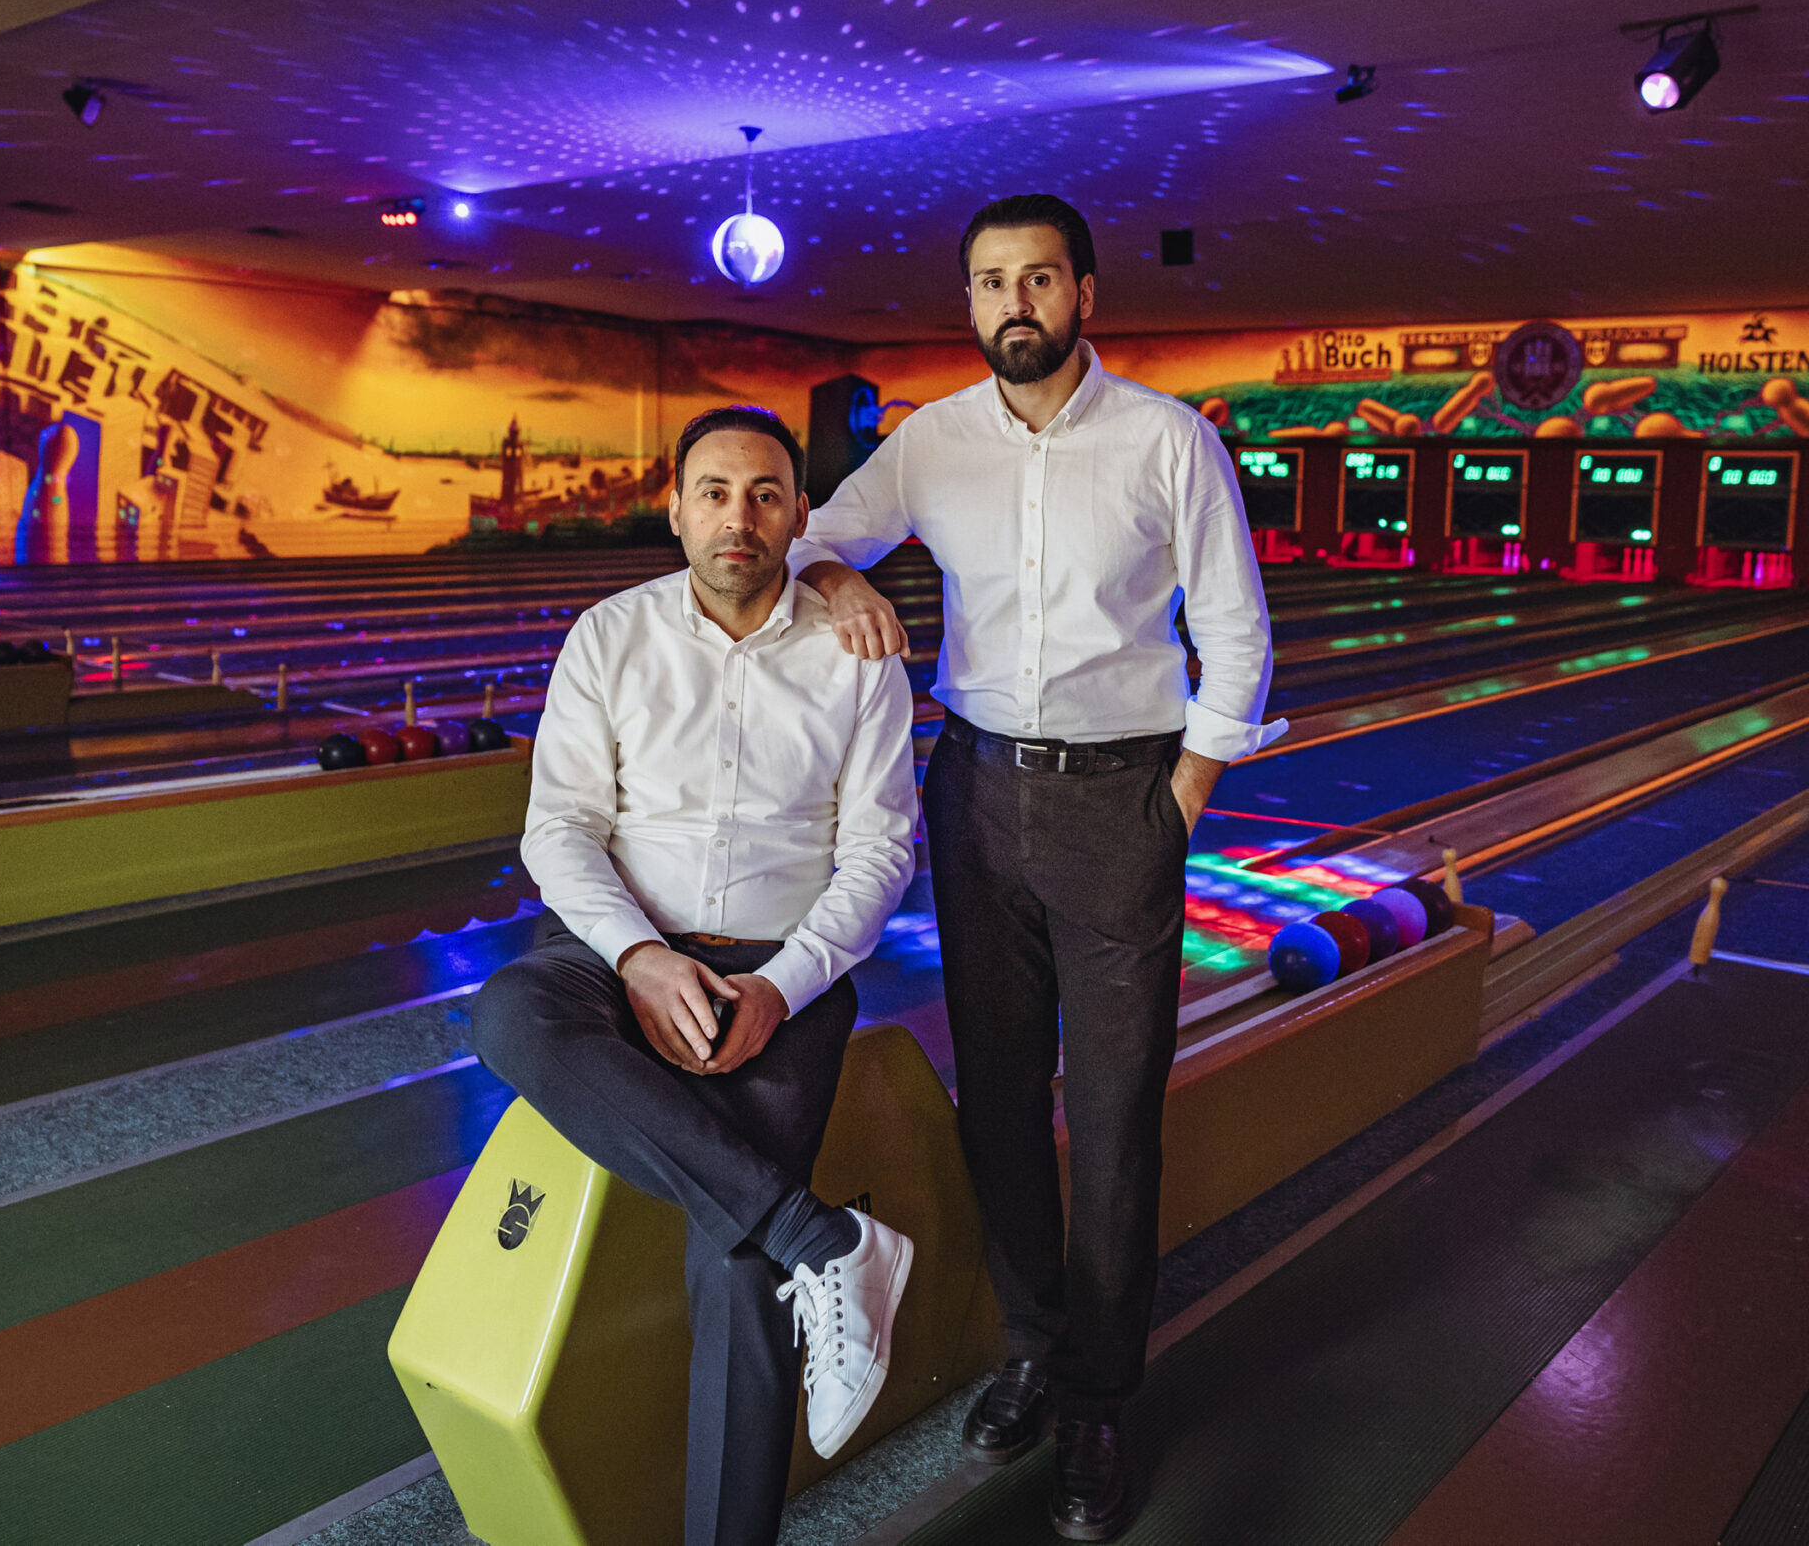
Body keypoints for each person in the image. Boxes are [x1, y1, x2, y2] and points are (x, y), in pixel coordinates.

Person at [787, 194, 1283, 1541]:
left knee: (1116, 1119)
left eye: (1041, 279)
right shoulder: (931, 443)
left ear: (1085, 294)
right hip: (976, 793)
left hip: (1123, 799)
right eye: (992, 282)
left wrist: (1179, 800)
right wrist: (836, 582)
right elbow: (806, 540)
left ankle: (1103, 1395)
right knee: (997, 1099)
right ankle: (1030, 1341)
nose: (1017, 302)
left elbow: (1237, 636)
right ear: (970, 304)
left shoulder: (1168, 440)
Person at [471, 406, 919, 1546]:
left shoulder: (855, 654)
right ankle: (826, 1242)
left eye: (765, 493)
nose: (738, 516)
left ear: (800, 516)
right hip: (618, 947)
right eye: (713, 492)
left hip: (783, 967)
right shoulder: (608, 636)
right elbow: (559, 828)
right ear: (674, 509)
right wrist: (640, 953)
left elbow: (878, 850)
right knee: (510, 1012)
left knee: (731, 1260)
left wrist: (786, 983)